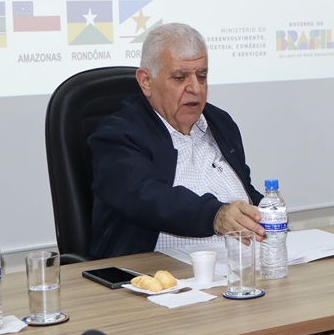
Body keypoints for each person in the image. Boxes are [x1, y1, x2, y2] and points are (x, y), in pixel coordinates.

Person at [89, 22, 264, 259]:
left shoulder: (220, 123)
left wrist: (266, 212)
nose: (196, 89)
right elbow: (147, 197)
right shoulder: (118, 135)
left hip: (239, 266)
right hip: (157, 273)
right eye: (180, 78)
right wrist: (216, 215)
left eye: (202, 76)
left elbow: (244, 190)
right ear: (146, 81)